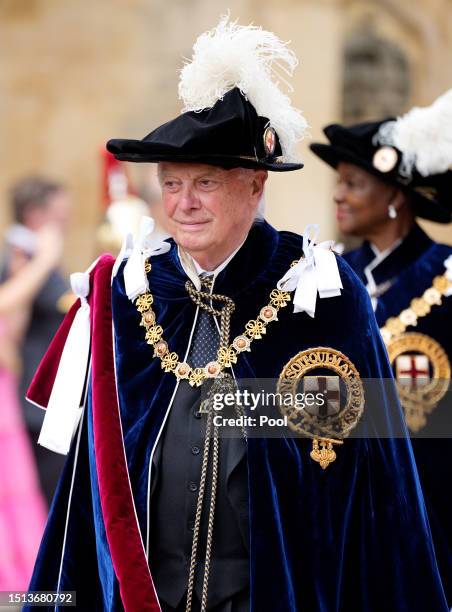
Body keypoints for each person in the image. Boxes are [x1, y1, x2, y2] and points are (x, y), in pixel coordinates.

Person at [26, 18, 448, 612]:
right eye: (171, 183)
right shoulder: (129, 291)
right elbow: (83, 490)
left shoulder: (322, 294)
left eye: (204, 182)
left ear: (254, 186)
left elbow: (379, 480)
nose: (184, 203)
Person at [310, 90, 452, 606]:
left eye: (353, 183)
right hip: (340, 501)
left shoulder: (446, 273)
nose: (338, 196)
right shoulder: (324, 278)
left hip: (432, 499)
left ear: (394, 194)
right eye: (338, 184)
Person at [1, 176, 71, 505]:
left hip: (48, 399)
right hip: (31, 402)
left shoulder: (39, 260)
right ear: (34, 215)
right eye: (58, 214)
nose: (66, 221)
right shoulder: (21, 260)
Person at [0, 224, 62, 590]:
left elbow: (12, 339)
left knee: (16, 499)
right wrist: (45, 260)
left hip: (6, 406)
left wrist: (24, 270)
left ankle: (21, 590)